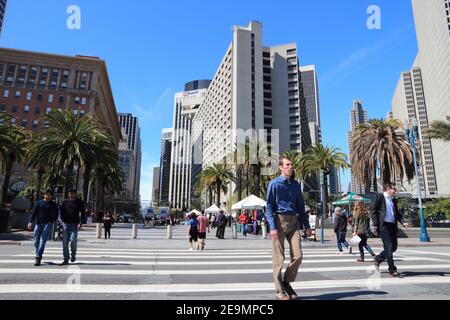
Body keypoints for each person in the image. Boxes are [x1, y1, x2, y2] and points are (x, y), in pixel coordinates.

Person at [266, 156, 312, 300]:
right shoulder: (274, 184)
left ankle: (286, 282)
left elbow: (300, 206)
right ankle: (279, 290)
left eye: (291, 165)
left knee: (298, 256)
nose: (290, 167)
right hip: (279, 221)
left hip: (294, 221)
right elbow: (268, 206)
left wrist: (307, 226)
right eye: (287, 165)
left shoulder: (296, 185)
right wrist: (272, 227)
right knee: (278, 259)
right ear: (281, 167)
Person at [371, 183, 408, 277]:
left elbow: (397, 213)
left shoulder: (393, 200)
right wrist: (375, 223)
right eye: (393, 189)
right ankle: (392, 269)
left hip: (392, 226)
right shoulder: (379, 196)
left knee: (394, 247)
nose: (395, 190)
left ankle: (378, 258)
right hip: (383, 226)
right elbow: (373, 210)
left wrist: (403, 222)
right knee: (389, 247)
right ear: (388, 189)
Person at [27, 189, 59, 267]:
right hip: (38, 224)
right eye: (46, 194)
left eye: (49, 195)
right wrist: (30, 222)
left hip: (47, 224)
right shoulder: (39, 203)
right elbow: (34, 213)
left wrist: (51, 221)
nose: (48, 196)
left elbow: (56, 215)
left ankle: (38, 257)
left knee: (42, 241)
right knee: (35, 241)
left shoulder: (53, 204)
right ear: (44, 195)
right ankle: (39, 252)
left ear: (51, 196)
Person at [60, 189, 85, 265]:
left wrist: (80, 223)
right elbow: (61, 212)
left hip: (74, 224)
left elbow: (82, 213)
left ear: (75, 194)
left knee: (73, 240)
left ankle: (73, 254)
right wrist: (61, 221)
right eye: (69, 194)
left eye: (72, 194)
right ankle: (66, 259)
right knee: (65, 242)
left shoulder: (79, 202)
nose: (70, 195)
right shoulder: (65, 202)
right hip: (65, 224)